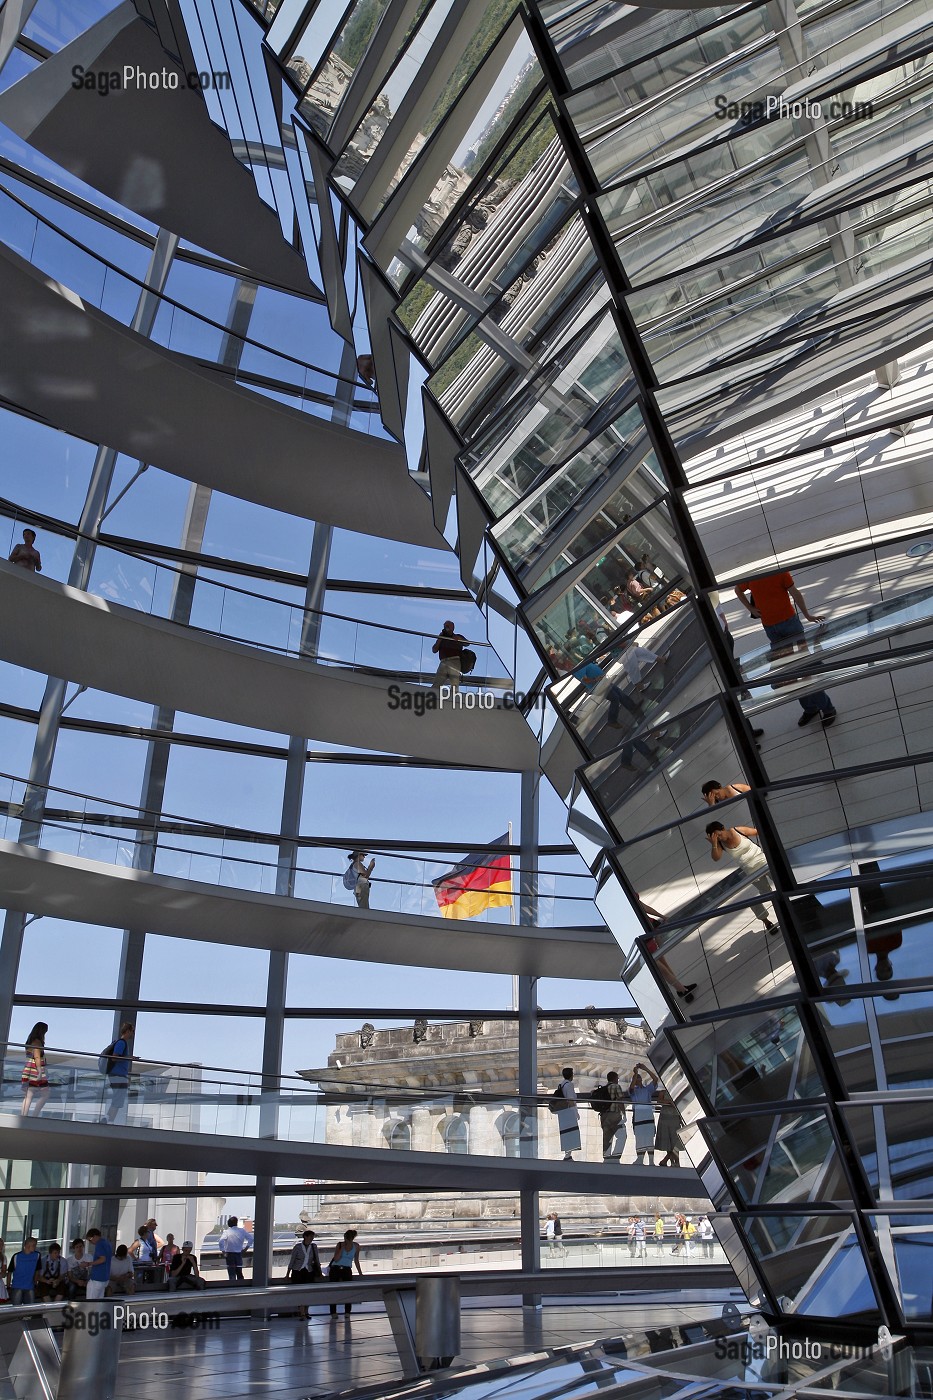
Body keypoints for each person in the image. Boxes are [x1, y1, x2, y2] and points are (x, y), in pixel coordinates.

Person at [734, 570, 836, 726]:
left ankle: (827, 709)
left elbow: (795, 593)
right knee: (790, 671)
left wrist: (808, 616)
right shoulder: (753, 577)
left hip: (790, 624)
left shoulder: (779, 573)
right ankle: (810, 708)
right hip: (771, 628)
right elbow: (738, 589)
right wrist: (751, 609)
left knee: (804, 669)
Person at [705, 822, 777, 932]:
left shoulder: (738, 830)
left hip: (764, 862)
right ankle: (766, 921)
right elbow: (716, 858)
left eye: (718, 834)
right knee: (765, 893)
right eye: (715, 838)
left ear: (723, 828)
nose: (719, 838)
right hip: (751, 871)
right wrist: (714, 843)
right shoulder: (720, 844)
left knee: (780, 881)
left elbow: (758, 831)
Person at [639, 903, 696, 1003]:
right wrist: (661, 917)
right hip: (644, 939)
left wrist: (662, 917)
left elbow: (644, 907)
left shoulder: (629, 898)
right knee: (663, 970)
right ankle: (683, 990)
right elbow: (644, 908)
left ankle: (681, 988)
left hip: (649, 933)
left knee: (665, 966)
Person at [285, 1230, 322, 1318]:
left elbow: (317, 1260)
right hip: (298, 1271)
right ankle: (302, 1312)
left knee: (308, 1292)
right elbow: (292, 1260)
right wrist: (288, 1274)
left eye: (313, 1237)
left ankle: (306, 1311)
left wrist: (320, 1272)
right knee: (300, 1292)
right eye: (310, 1236)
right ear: (305, 1236)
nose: (312, 1238)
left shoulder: (313, 1246)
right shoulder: (297, 1247)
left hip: (309, 1271)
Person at [628, 1063, 658, 1165]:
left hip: (647, 1114)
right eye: (636, 1079)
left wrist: (645, 1069)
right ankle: (640, 1159)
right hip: (638, 1115)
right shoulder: (633, 1090)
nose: (637, 1080)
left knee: (649, 1137)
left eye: (639, 1078)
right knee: (640, 1137)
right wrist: (635, 1074)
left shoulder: (647, 1089)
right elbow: (631, 1087)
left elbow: (655, 1079)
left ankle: (651, 1160)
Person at [328, 1229, 362, 1316]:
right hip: (335, 1268)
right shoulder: (339, 1245)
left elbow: (356, 1260)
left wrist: (360, 1273)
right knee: (333, 1291)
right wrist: (342, 1248)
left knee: (348, 1290)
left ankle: (347, 1311)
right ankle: (333, 1312)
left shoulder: (356, 1246)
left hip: (347, 1269)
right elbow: (336, 1259)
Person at [105, 1022, 134, 1124]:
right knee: (118, 1099)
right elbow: (114, 1057)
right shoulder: (122, 1043)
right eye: (132, 1031)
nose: (132, 1034)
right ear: (128, 1031)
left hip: (118, 1075)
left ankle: (109, 1119)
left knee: (118, 1099)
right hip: (118, 1075)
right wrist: (129, 1058)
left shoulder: (121, 1042)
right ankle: (108, 1119)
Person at [21, 1022, 50, 1116]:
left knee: (28, 1095)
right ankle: (34, 1115)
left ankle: (24, 1115)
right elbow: (37, 1057)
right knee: (45, 1094)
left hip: (28, 1070)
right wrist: (40, 1072)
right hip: (35, 1070)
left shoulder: (30, 1040)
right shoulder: (37, 1042)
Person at [599, 1071, 627, 1159]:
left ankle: (606, 1156)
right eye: (617, 1078)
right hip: (615, 1114)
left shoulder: (603, 1088)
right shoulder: (616, 1086)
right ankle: (616, 1155)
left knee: (607, 1137)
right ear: (615, 1078)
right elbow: (620, 1101)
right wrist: (624, 1113)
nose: (618, 1080)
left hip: (604, 1115)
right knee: (622, 1135)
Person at [431, 620, 466, 693]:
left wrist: (458, 639)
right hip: (443, 661)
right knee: (437, 684)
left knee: (454, 684)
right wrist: (439, 639)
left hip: (454, 661)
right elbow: (434, 650)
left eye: (447, 626)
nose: (445, 628)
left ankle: (454, 699)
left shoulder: (457, 636)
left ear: (452, 627)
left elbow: (467, 643)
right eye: (445, 626)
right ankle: (432, 696)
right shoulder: (442, 638)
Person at [555, 1067, 581, 1161]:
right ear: (571, 1075)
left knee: (566, 1132)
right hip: (569, 1112)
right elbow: (571, 1100)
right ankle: (568, 1155)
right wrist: (576, 1113)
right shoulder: (569, 1085)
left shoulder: (562, 1084)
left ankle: (567, 1154)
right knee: (572, 1132)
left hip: (562, 1112)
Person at [218, 1215, 253, 1284]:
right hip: (239, 1254)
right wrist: (246, 1248)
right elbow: (251, 1239)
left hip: (229, 1254)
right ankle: (241, 1285)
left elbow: (221, 1241)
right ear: (236, 1223)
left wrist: (223, 1251)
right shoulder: (242, 1231)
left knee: (231, 1273)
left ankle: (232, 1286)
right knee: (239, 1272)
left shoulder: (227, 1232)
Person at [7, 1237, 41, 1305]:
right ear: (27, 1245)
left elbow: (37, 1271)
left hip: (30, 1286)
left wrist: (35, 1283)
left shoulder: (37, 1255)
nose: (35, 1247)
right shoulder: (16, 1256)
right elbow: (9, 1272)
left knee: (29, 1308)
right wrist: (8, 1286)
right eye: (34, 1245)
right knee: (16, 1308)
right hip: (17, 1286)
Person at [655, 1091, 682, 1166]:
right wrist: (669, 1102)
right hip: (665, 1116)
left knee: (675, 1140)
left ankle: (672, 1159)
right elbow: (659, 1101)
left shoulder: (679, 1088)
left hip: (675, 1116)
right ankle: (672, 1160)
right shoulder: (663, 1092)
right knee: (667, 1139)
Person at [84, 1228, 112, 1300]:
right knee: (99, 1302)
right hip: (105, 1277)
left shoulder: (99, 1244)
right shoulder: (107, 1243)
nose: (91, 1242)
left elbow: (102, 1259)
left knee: (91, 1302)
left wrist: (88, 1264)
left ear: (95, 1236)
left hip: (97, 1277)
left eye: (90, 1239)